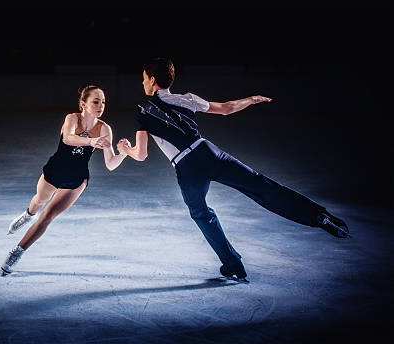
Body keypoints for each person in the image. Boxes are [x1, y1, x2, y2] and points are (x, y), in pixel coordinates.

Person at [116, 57, 350, 282]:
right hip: (209, 152)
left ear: (153, 79)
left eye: (145, 78)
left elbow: (141, 154)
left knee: (201, 213)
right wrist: (251, 98)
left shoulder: (143, 108)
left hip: (187, 167)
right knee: (260, 185)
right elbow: (226, 108)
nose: (143, 82)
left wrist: (126, 149)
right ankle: (319, 217)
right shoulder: (186, 98)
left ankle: (233, 264)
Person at [0, 85, 128, 276]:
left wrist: (124, 154)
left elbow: (110, 164)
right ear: (83, 104)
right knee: (39, 202)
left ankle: (17, 251)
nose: (101, 105)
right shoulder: (72, 118)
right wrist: (91, 142)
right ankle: (27, 214)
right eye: (95, 101)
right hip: (55, 170)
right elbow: (68, 139)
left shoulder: (104, 129)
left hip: (76, 179)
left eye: (103, 102)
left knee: (48, 216)